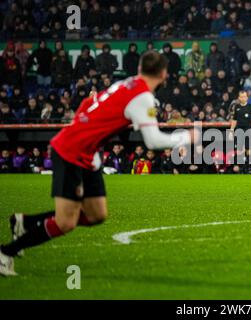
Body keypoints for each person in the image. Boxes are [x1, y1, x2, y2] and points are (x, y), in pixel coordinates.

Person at [0, 51, 196, 276]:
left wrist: (86, 135)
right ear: (164, 74)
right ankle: (6, 252)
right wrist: (185, 137)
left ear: (140, 68)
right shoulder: (143, 97)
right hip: (71, 152)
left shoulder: (127, 83)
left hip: (86, 152)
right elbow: (152, 141)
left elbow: (87, 102)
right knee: (66, 222)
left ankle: (25, 222)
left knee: (96, 215)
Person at [229, 91, 251, 174]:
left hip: (249, 130)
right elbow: (234, 120)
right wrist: (231, 130)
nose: (243, 98)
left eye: (244, 96)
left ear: (247, 98)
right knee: (240, 150)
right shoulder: (237, 107)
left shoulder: (250, 107)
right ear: (239, 98)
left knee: (249, 150)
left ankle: (249, 167)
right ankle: (240, 167)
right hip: (239, 131)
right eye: (241, 96)